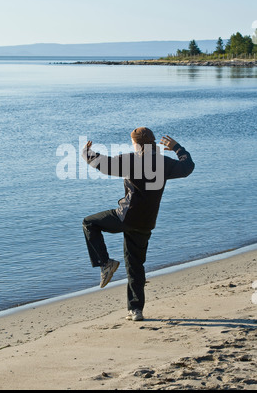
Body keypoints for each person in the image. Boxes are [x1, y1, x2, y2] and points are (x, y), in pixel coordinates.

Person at [82, 127, 195, 321]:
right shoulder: (163, 162)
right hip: (147, 220)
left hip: (126, 216)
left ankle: (105, 263)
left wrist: (86, 153)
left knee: (89, 223)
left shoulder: (130, 159)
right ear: (152, 143)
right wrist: (177, 148)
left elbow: (102, 164)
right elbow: (187, 167)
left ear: (137, 143)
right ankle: (136, 310)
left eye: (133, 142)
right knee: (135, 264)